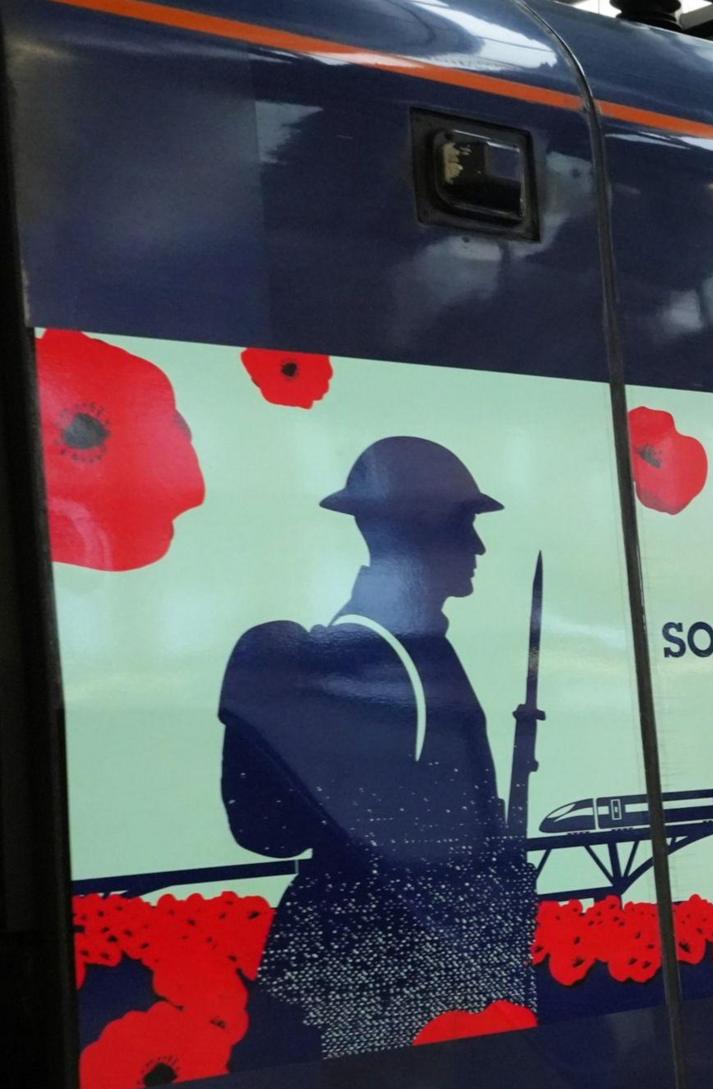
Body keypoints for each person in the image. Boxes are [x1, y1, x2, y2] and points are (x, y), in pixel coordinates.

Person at [217, 437, 536, 1057]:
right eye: (464, 525)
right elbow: (289, 831)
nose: (478, 547)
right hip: (376, 973)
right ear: (420, 528)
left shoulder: (418, 648)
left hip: (415, 967)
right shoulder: (354, 658)